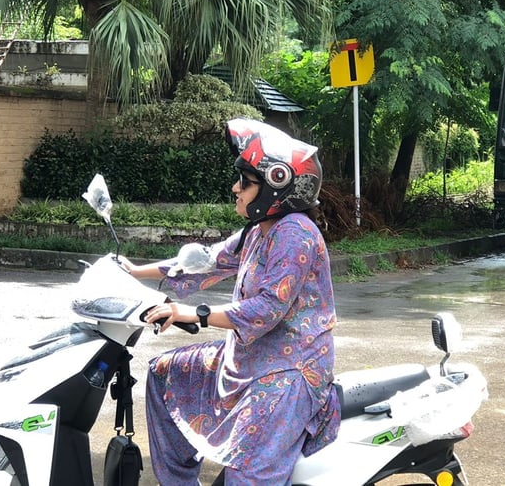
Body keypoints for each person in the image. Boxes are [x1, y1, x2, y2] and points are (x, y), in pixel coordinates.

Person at [120, 118, 341, 485]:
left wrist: (194, 313)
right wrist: (135, 272)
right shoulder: (258, 230)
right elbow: (207, 260)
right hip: (249, 358)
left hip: (288, 371)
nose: (235, 188)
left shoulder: (297, 234)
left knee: (246, 473)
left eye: (246, 182)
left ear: (276, 187)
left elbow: (268, 308)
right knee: (163, 374)